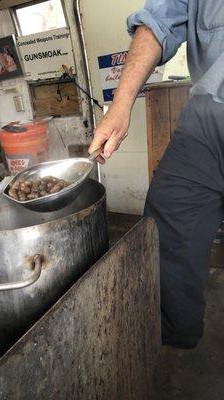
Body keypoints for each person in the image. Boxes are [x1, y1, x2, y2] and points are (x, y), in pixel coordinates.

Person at [89, 0, 224, 349]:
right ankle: (174, 338)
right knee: (168, 212)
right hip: (207, 117)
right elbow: (155, 24)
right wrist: (119, 106)